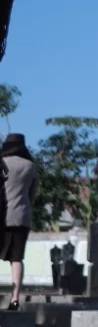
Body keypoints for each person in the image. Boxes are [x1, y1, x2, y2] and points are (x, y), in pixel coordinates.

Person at [1, 133, 36, 311]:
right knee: (16, 258)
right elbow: (32, 194)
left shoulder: (3, 163)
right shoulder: (30, 166)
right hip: (21, 217)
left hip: (2, 215)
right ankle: (15, 299)